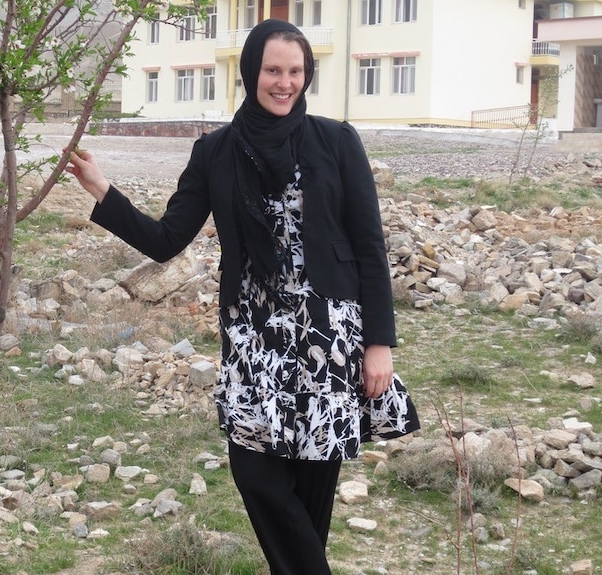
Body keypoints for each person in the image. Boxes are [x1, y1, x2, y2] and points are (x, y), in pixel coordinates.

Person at [65, 18, 420, 575]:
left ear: (307, 75)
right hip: (255, 337)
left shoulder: (336, 141)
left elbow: (369, 248)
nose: (284, 83)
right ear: (251, 71)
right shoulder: (216, 152)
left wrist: (380, 344)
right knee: (256, 473)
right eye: (272, 70)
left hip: (329, 337)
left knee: (311, 495)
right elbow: (166, 240)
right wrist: (104, 192)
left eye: (295, 71)